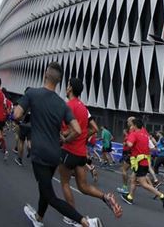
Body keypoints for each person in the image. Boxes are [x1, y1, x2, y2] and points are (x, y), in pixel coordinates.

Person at [13, 62, 102, 227]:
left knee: (50, 195)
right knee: (44, 185)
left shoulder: (32, 93)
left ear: (45, 75)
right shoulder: (62, 104)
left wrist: (30, 118)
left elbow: (17, 114)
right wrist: (64, 139)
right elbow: (76, 129)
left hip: (39, 152)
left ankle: (85, 222)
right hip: (55, 154)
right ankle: (39, 217)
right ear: (60, 81)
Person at [58, 78, 122, 225]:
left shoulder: (68, 106)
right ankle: (105, 197)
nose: (66, 88)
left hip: (68, 150)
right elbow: (94, 128)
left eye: (67, 85)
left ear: (70, 89)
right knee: (83, 186)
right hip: (81, 153)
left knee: (65, 184)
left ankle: (73, 217)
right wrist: (82, 137)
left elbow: (66, 131)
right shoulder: (83, 108)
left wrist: (65, 138)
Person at [120, 118, 164, 208]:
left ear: (134, 126)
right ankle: (130, 197)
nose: (131, 126)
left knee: (143, 184)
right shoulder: (145, 135)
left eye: (131, 125)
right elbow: (151, 147)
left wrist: (127, 139)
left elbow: (129, 144)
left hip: (139, 162)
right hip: (143, 161)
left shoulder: (134, 134)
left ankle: (162, 196)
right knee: (133, 179)